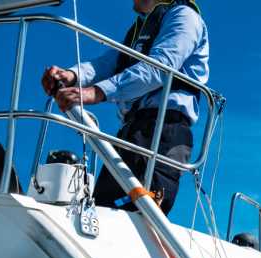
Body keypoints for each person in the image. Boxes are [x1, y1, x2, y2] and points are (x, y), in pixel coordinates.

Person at [39, 0, 209, 214]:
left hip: (163, 133)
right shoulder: (139, 29)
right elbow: (107, 64)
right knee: (103, 210)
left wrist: (97, 92)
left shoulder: (184, 17)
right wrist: (72, 75)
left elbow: (160, 67)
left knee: (140, 214)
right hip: (133, 132)